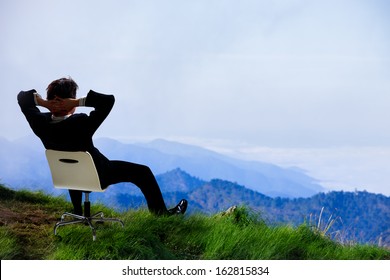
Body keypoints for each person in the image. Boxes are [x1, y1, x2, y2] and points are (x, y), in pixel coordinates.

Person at [17, 77, 187, 216]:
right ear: (71, 102)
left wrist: (45, 103)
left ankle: (78, 212)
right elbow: (108, 101)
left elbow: (22, 97)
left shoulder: (40, 123)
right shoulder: (81, 122)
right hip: (98, 173)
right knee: (143, 172)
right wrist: (77, 102)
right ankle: (161, 215)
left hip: (67, 176)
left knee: (71, 163)